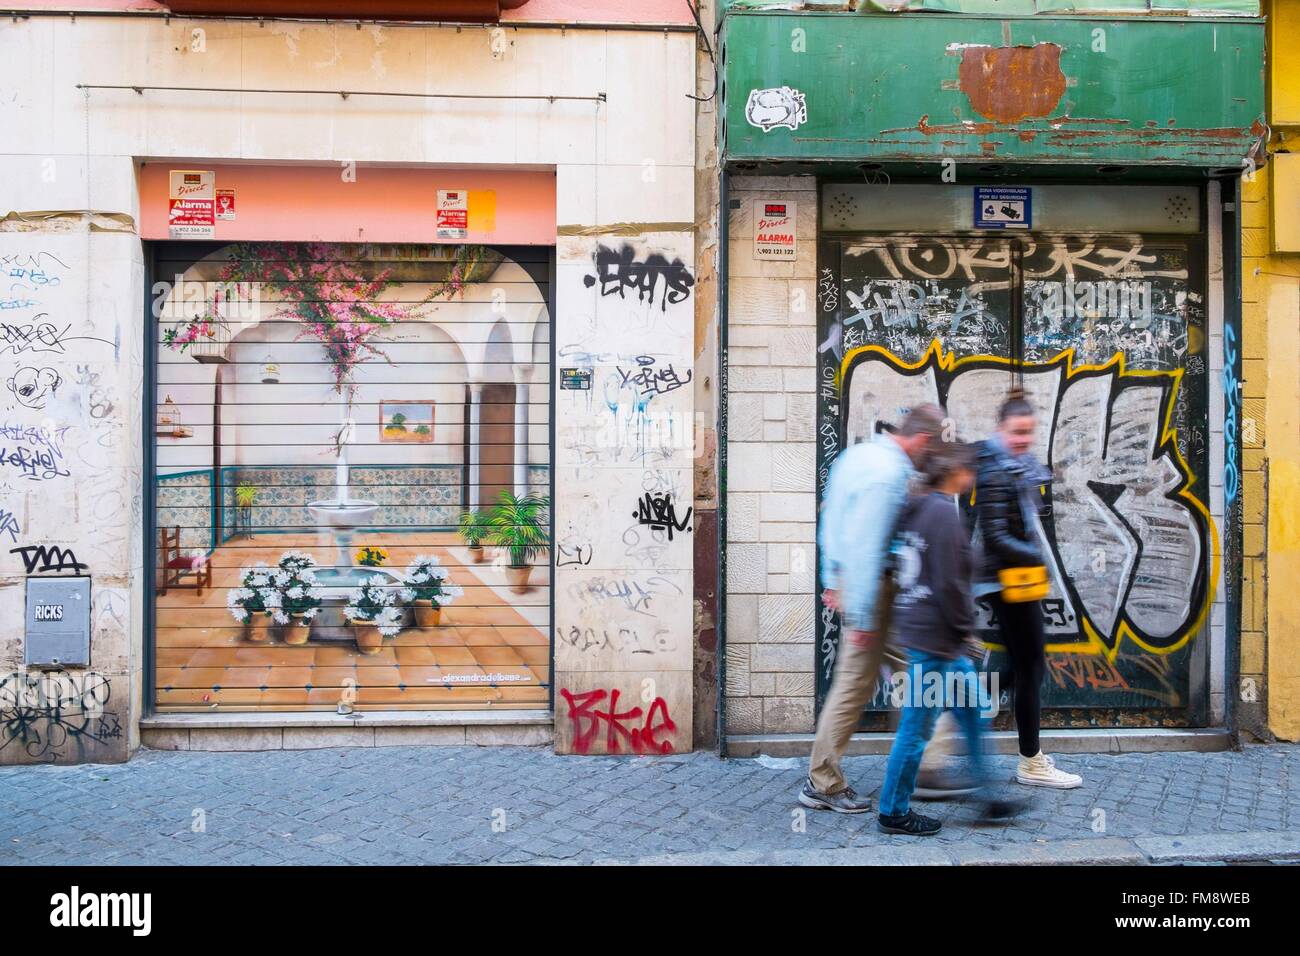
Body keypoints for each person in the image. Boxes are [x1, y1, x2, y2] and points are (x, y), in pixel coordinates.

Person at [799, 403, 944, 813]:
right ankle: (822, 781)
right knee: (854, 686)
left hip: (871, 587)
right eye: (930, 449)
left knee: (915, 669)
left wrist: (833, 578)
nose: (928, 459)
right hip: (874, 590)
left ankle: (928, 767)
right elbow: (866, 545)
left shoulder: (859, 454)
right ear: (922, 440)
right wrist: (861, 612)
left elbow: (831, 519)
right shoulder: (889, 474)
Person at [877, 442, 1018, 835]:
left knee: (972, 711)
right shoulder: (942, 513)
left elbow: (898, 562)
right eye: (970, 471)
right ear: (956, 473)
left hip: (933, 637)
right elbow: (949, 584)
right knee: (917, 728)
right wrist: (965, 632)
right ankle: (893, 811)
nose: (972, 478)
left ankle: (991, 799)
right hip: (936, 641)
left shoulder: (918, 507)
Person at [972, 390, 1083, 789]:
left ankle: (979, 709)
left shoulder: (1016, 466)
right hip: (1007, 582)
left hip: (1018, 580)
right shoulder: (995, 469)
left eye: (1028, 433)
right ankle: (1031, 761)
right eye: (1017, 432)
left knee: (1026, 666)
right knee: (1031, 666)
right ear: (1001, 428)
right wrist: (1034, 554)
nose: (1023, 439)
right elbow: (996, 534)